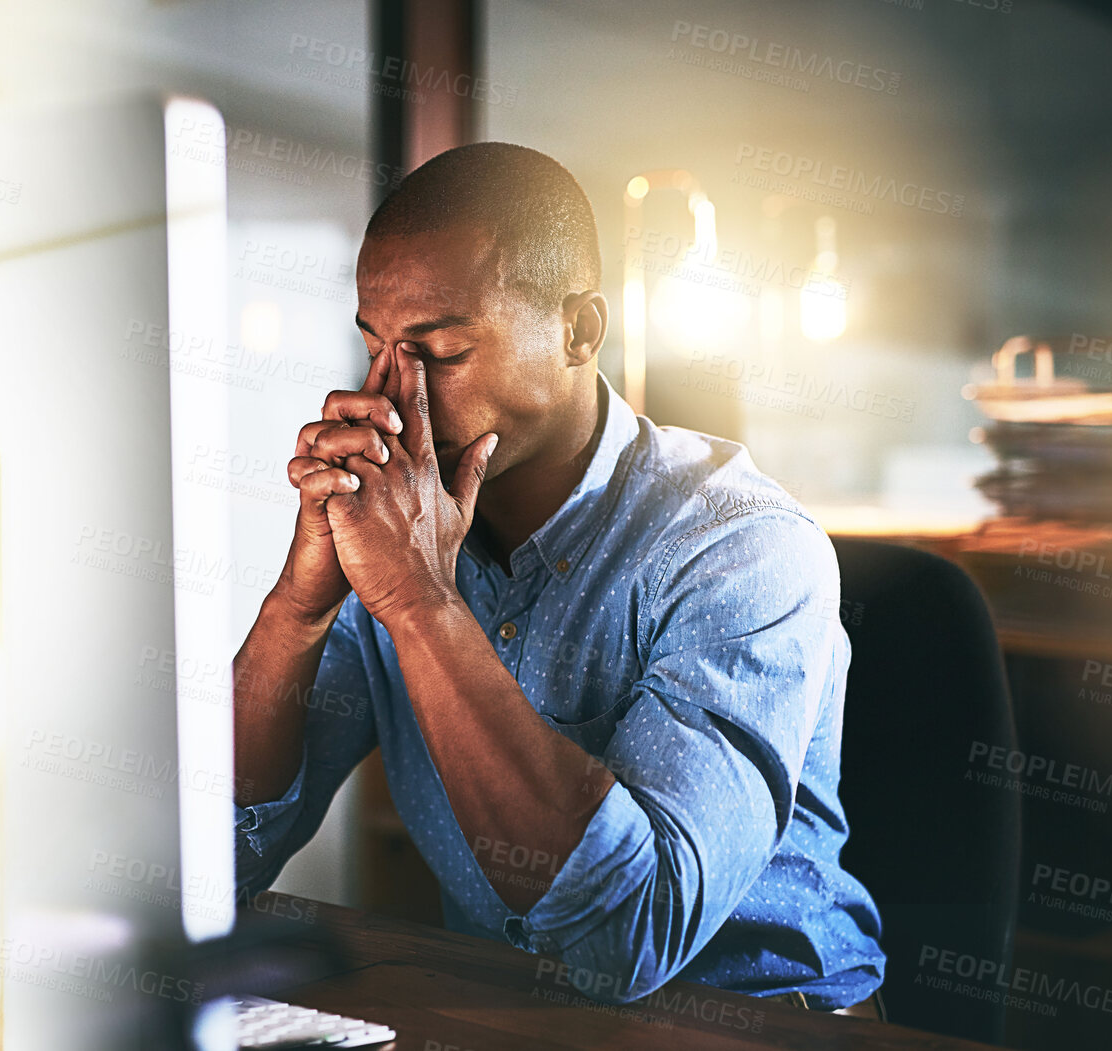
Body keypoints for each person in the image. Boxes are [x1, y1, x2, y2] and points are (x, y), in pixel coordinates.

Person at [230, 142, 886, 1014]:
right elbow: (214, 857)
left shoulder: (742, 547)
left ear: (579, 332)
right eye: (376, 347)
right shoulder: (393, 535)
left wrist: (419, 602)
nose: (390, 396)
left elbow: (624, 936)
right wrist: (299, 608)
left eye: (442, 351)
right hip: (520, 1020)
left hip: (762, 1025)